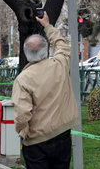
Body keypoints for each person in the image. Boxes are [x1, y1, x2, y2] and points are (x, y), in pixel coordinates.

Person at [11, 11, 79, 169]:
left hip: (36, 141)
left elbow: (22, 114)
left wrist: (23, 133)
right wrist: (47, 25)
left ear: (27, 54)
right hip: (62, 135)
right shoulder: (59, 65)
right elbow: (62, 45)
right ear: (46, 49)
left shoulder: (23, 79)